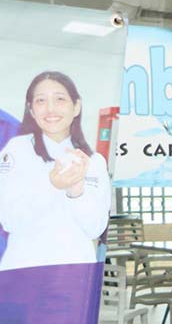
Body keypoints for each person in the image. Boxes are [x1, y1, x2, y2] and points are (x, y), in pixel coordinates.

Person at [0, 71, 110, 271]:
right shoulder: (15, 151)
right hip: (24, 272)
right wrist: (51, 185)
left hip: (75, 274)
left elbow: (95, 229)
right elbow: (9, 221)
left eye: (60, 99)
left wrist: (76, 191)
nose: (50, 109)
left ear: (76, 106)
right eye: (41, 101)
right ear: (31, 110)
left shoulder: (94, 162)